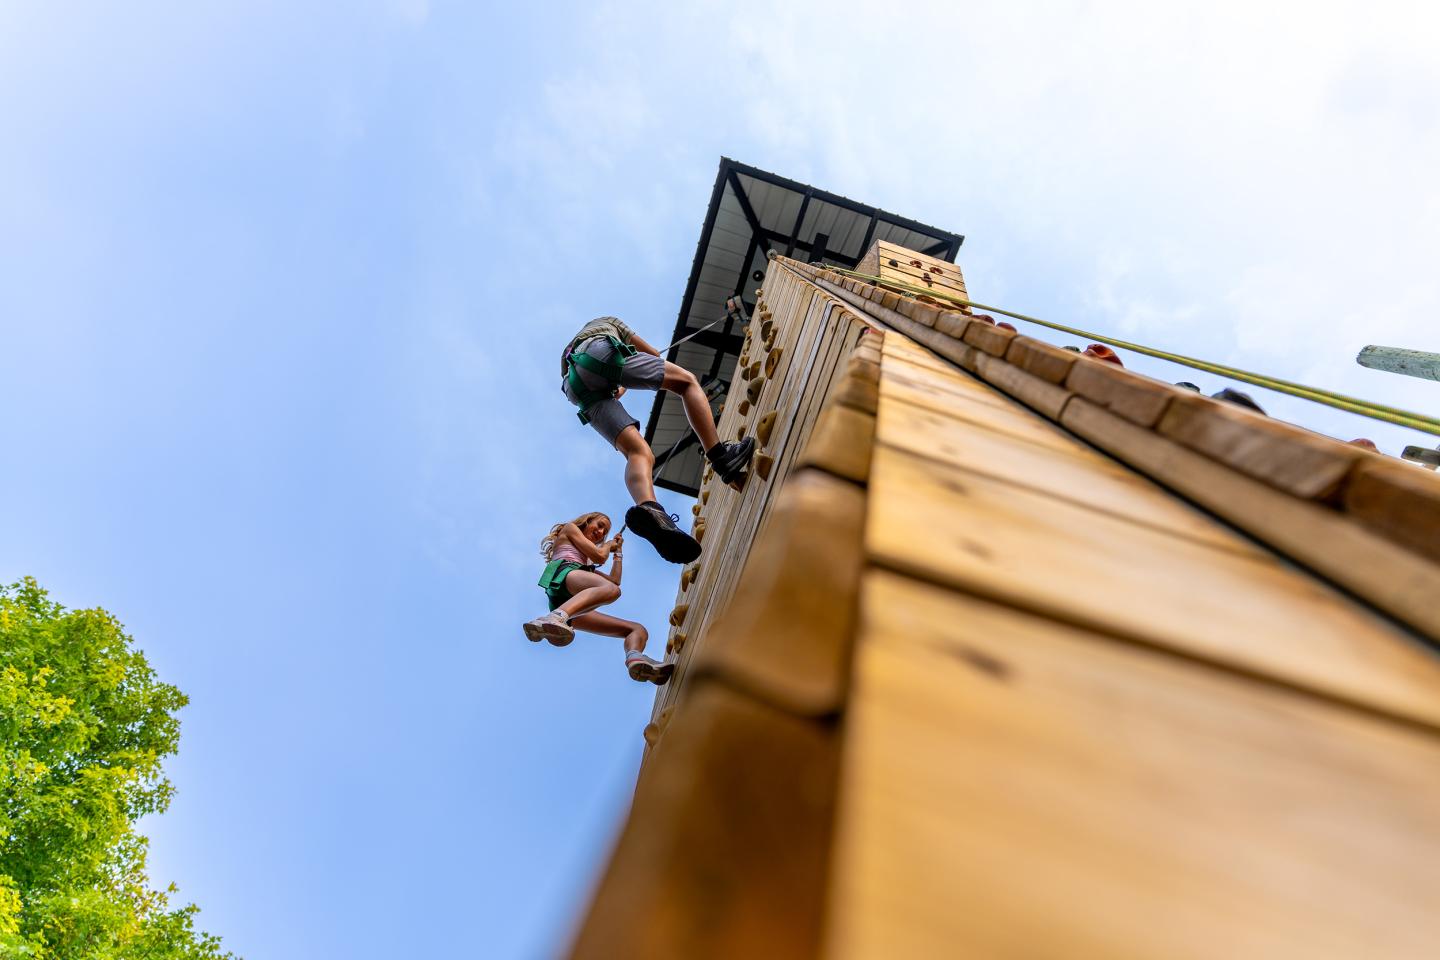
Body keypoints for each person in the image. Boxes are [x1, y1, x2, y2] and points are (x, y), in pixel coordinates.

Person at [560, 316, 753, 564]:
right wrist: (628, 377)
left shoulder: (571, 349)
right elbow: (652, 355)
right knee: (685, 382)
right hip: (598, 351)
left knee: (638, 453)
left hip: (574, 387)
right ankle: (721, 457)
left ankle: (650, 508)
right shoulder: (608, 322)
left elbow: (593, 378)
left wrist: (617, 383)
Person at [523, 511, 672, 685]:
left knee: (637, 629)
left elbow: (615, 580)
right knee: (611, 590)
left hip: (568, 600)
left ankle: (635, 658)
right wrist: (608, 545)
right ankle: (556, 617)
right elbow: (600, 556)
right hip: (564, 576)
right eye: (600, 525)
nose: (601, 532)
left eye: (605, 532)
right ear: (586, 521)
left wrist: (618, 553)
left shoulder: (586, 565)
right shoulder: (570, 528)